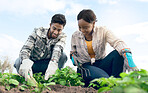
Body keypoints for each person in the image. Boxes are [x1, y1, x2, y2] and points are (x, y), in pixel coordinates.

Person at [70, 9, 138, 87]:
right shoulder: (75, 36)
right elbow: (73, 52)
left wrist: (128, 57)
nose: (82, 30)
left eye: (85, 27)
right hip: (86, 67)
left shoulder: (103, 31)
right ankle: (106, 84)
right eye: (80, 27)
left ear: (93, 23)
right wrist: (74, 59)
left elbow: (117, 42)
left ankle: (117, 83)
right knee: (105, 80)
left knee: (117, 54)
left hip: (101, 64)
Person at [14, 14, 67, 81]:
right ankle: (26, 77)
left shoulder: (62, 36)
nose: (56, 32)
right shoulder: (37, 31)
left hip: (47, 66)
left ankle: (52, 78)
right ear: (50, 25)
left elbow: (58, 50)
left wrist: (53, 63)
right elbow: (25, 49)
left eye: (59, 30)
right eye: (54, 28)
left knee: (63, 56)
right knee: (18, 61)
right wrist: (25, 60)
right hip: (33, 63)